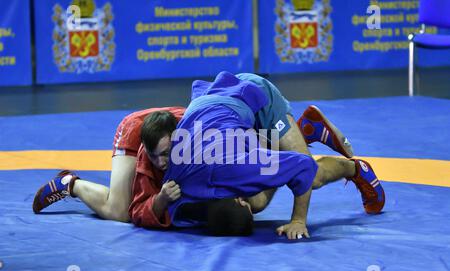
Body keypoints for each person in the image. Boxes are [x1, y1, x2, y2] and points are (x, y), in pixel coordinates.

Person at [136, 71, 385, 239]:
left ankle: (355, 168)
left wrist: (298, 220)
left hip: (254, 97)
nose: (160, 163)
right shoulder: (180, 183)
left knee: (313, 176)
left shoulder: (241, 168)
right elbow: (150, 211)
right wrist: (160, 201)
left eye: (165, 154)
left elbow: (302, 168)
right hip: (221, 110)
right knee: (257, 201)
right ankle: (299, 133)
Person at [32, 107, 185, 222]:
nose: (159, 162)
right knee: (119, 212)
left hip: (166, 130)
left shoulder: (199, 131)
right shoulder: (197, 127)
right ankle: (70, 184)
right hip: (134, 130)